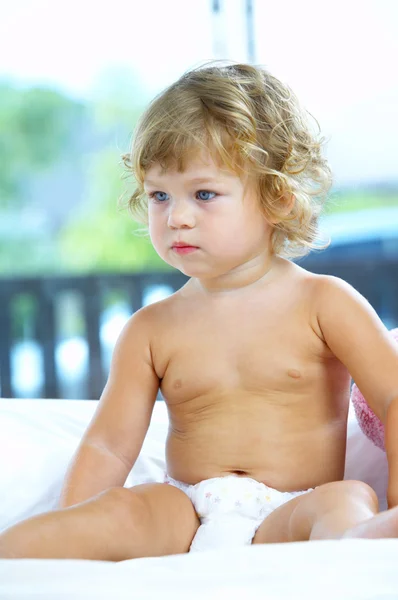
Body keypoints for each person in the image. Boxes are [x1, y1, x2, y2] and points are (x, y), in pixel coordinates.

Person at [1, 62, 398, 561]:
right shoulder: (151, 328)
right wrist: (76, 516)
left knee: (348, 500)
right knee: (120, 511)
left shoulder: (325, 302)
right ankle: (23, 553)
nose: (177, 217)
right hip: (185, 510)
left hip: (296, 508)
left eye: (204, 194)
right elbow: (109, 445)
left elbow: (393, 398)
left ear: (275, 197)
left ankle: (369, 536)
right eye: (159, 195)